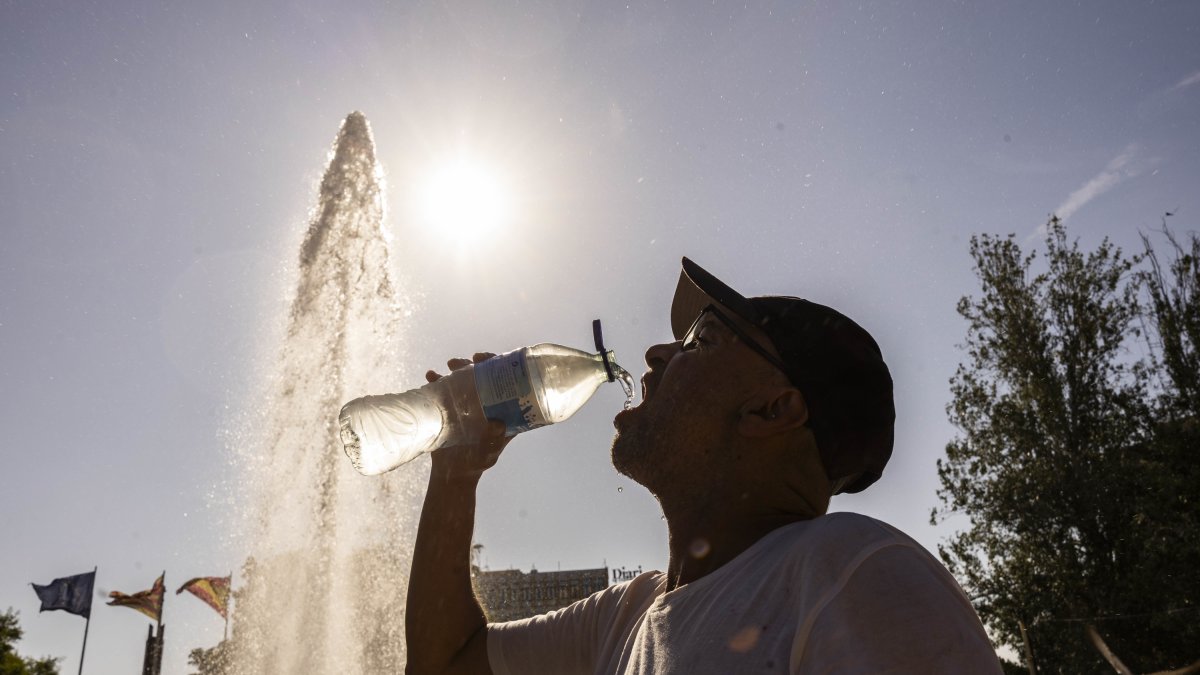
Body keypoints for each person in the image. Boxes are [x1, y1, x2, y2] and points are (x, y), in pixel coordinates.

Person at [404, 258, 1002, 675]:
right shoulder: (627, 615)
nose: (657, 353)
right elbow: (443, 663)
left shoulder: (850, 573)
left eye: (703, 340)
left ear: (772, 410)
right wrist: (455, 474)